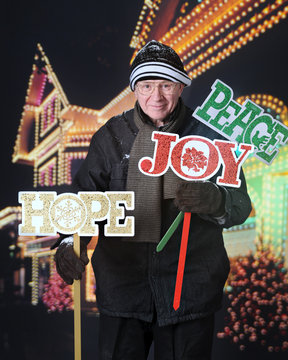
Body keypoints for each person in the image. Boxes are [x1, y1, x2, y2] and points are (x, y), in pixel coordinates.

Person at [54, 40, 252, 359]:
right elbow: (81, 201)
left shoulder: (210, 137)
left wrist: (215, 200)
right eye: (146, 85)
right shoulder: (110, 138)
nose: (155, 97)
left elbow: (240, 205)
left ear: (181, 86)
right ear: (135, 89)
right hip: (122, 293)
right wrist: (68, 243)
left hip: (190, 295)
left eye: (166, 85)